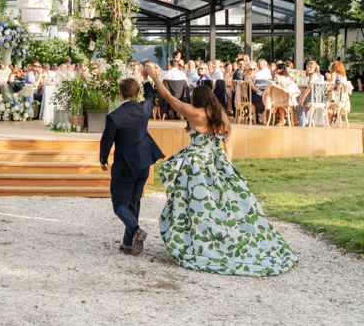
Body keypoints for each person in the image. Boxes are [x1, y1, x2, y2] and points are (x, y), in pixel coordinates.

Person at [146, 65, 298, 276]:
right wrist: (228, 167)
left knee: (194, 203)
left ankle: (197, 240)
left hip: (197, 162)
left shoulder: (193, 112)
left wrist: (155, 77)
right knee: (223, 202)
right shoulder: (222, 116)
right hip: (217, 161)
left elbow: (168, 96)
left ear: (196, 98)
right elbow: (228, 146)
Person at [99, 76, 164, 256]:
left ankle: (136, 231)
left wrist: (103, 160)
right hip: (144, 164)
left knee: (119, 204)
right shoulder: (144, 109)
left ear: (120, 94)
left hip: (125, 166)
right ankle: (128, 243)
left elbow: (106, 141)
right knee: (134, 201)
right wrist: (146, 79)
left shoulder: (114, 117)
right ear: (137, 94)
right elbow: (151, 97)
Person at [297, 60, 324, 127]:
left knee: (300, 104)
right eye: (308, 67)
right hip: (319, 98)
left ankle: (303, 122)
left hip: (313, 98)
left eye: (310, 67)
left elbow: (310, 87)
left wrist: (303, 98)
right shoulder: (320, 76)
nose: (308, 68)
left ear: (315, 68)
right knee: (302, 98)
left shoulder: (314, 75)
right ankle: (308, 120)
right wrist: (304, 95)